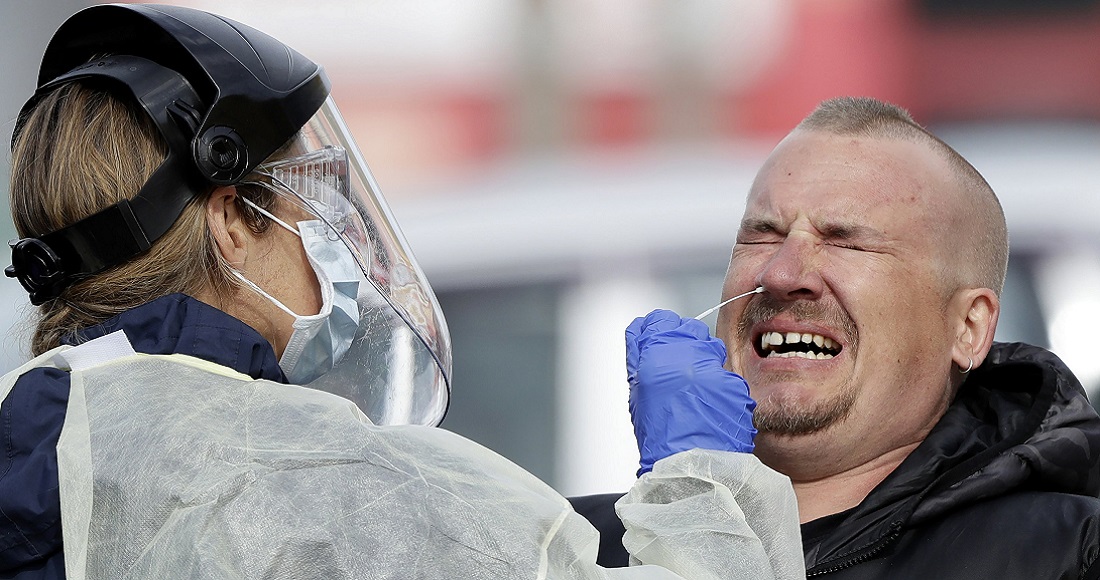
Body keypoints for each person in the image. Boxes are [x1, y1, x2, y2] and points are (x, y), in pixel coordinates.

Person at [0, 4, 805, 579]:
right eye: (304, 202)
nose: (331, 247)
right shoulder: (300, 477)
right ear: (231, 221)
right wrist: (703, 479)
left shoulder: (32, 433)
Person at [571, 96, 1100, 578]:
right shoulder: (569, 545)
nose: (780, 274)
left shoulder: (1068, 553)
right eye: (764, 235)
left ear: (968, 327)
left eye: (846, 243)